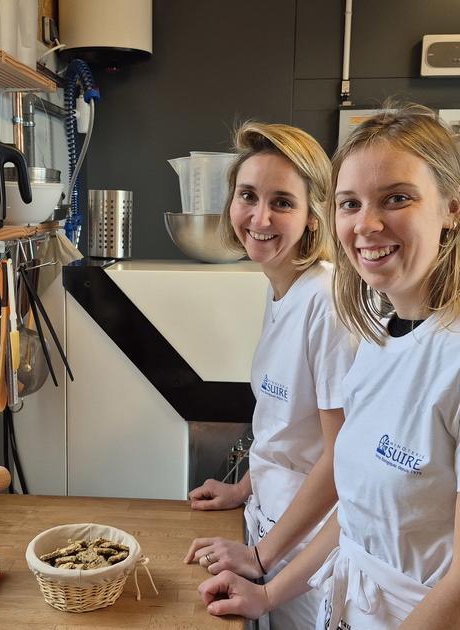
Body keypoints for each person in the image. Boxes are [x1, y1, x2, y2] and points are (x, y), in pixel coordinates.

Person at [197, 103, 460, 629]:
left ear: (451, 208)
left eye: (397, 198)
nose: (367, 224)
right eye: (351, 203)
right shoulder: (380, 339)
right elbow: (354, 519)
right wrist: (267, 594)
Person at [182, 121, 358, 629]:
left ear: (313, 217)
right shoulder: (283, 285)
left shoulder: (325, 302)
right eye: (248, 196)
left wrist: (262, 557)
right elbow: (287, 427)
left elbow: (341, 460)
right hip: (270, 524)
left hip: (307, 551)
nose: (259, 217)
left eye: (282, 202)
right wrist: (244, 490)